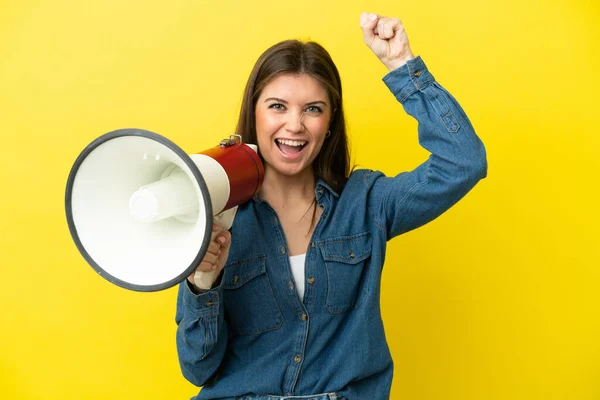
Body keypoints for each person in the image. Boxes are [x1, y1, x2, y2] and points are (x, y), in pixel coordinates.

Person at [175, 11, 487, 400]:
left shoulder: (367, 202)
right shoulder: (218, 214)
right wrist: (203, 283)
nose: (295, 125)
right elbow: (197, 367)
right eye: (277, 106)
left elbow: (464, 162)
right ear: (254, 112)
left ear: (330, 120)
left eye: (312, 109)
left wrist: (402, 65)